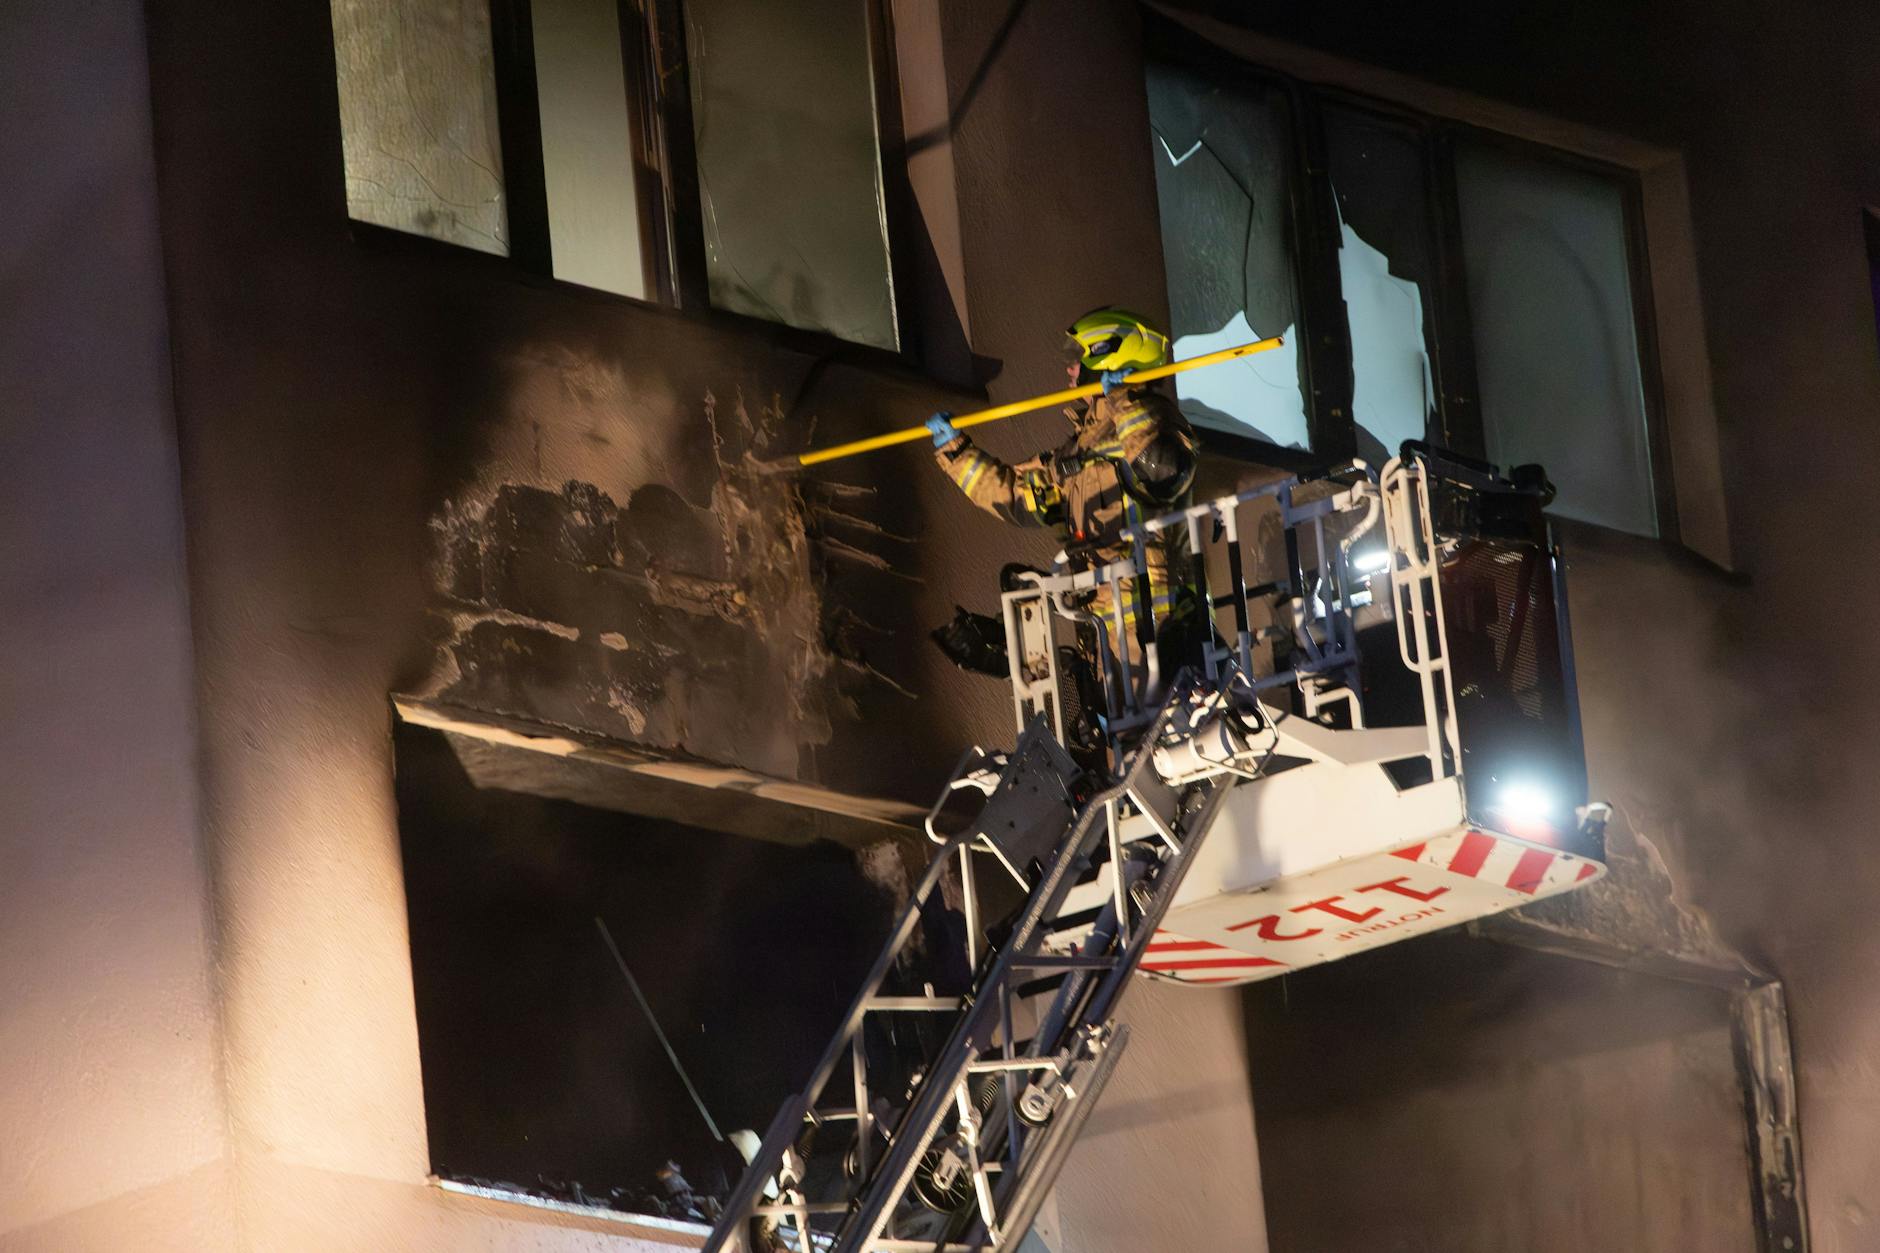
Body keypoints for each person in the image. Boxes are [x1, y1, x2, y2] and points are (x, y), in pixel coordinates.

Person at [926, 308, 1200, 680]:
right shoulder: (1081, 448)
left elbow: (1161, 470)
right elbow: (1020, 499)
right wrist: (957, 454)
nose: (1070, 371)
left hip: (1158, 633)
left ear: (1107, 358)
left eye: (1078, 360)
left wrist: (1122, 401)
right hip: (1108, 639)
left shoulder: (1154, 419)